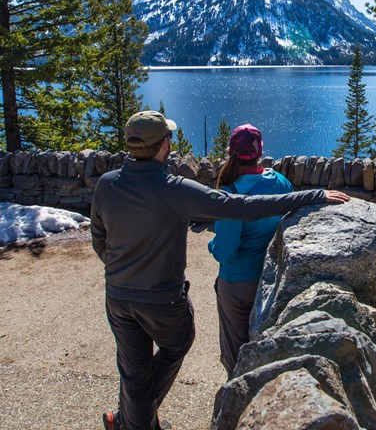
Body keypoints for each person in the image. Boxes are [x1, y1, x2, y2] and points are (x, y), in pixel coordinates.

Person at [90, 111, 349, 430]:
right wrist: (314, 194)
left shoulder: (106, 184)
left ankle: (132, 420)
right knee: (176, 344)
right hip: (161, 300)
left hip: (117, 296)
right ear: (165, 145)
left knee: (134, 369)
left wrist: (121, 271)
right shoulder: (174, 189)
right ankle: (135, 419)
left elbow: (99, 237)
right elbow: (241, 207)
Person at [208, 124, 291, 378]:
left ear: (231, 153)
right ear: (260, 152)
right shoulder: (280, 183)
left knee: (236, 348)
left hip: (238, 282)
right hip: (271, 276)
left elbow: (225, 252)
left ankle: (236, 393)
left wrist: (212, 245)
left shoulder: (230, 196)